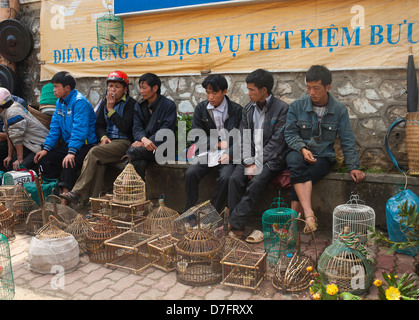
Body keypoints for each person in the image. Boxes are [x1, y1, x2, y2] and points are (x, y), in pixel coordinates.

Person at [284, 65, 365, 234]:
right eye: (308, 87)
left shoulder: (339, 110)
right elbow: (290, 133)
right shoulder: (297, 106)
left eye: (316, 88)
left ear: (328, 87)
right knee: (295, 162)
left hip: (323, 155)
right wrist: (302, 149)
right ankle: (309, 214)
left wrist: (354, 166)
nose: (311, 92)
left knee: (298, 179)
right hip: (299, 151)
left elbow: (347, 139)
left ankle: (292, 225)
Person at [224, 69, 289, 239]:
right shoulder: (248, 110)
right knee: (234, 179)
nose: (249, 93)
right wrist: (248, 162)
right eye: (248, 89)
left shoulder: (282, 109)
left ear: (264, 90)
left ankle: (233, 223)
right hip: (250, 158)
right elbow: (243, 138)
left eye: (252, 90)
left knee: (257, 181)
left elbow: (277, 143)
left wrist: (257, 163)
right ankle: (238, 228)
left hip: (271, 160)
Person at [59, 71, 137, 204]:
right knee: (99, 164)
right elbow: (99, 124)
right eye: (110, 86)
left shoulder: (131, 104)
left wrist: (111, 110)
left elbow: (125, 127)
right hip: (108, 142)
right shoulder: (104, 101)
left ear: (125, 89)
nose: (113, 90)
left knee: (94, 152)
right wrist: (103, 137)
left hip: (123, 142)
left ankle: (77, 191)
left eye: (117, 87)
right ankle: (97, 204)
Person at [184, 74, 242, 214]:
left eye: (214, 92)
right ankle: (189, 213)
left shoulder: (237, 110)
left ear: (224, 91)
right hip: (208, 151)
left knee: (226, 177)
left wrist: (229, 152)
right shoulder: (201, 108)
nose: (210, 97)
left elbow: (241, 138)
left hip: (230, 154)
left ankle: (212, 213)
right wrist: (218, 144)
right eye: (208, 92)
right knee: (190, 173)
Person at [34, 71, 97, 195]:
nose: (54, 90)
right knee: (45, 158)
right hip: (70, 144)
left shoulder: (79, 102)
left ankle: (65, 197)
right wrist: (46, 148)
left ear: (67, 88)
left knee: (69, 162)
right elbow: (55, 128)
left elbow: (80, 129)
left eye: (56, 86)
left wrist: (71, 152)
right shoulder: (60, 102)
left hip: (85, 144)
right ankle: (54, 190)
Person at [126, 73, 177, 180]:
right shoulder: (139, 106)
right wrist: (144, 140)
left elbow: (165, 131)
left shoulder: (168, 105)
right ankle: (138, 187)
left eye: (144, 88)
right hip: (144, 148)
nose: (141, 91)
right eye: (140, 88)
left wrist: (147, 142)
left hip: (163, 148)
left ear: (155, 88)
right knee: (139, 159)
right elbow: (137, 128)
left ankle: (129, 186)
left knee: (133, 151)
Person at [0, 87, 49, 170]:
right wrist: (9, 156)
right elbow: (10, 135)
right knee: (10, 165)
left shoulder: (12, 113)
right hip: (30, 145)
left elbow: (16, 138)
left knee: (19, 168)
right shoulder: (7, 111)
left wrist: (20, 160)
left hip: (40, 145)